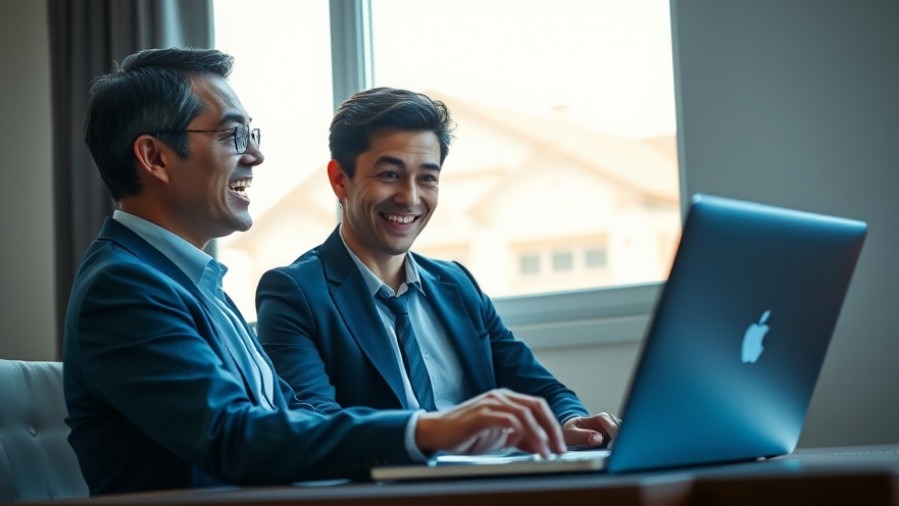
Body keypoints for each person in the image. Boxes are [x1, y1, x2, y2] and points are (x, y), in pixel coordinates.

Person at [63, 48, 568, 496]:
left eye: (251, 135)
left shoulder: (192, 284)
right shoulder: (124, 286)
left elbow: (288, 423)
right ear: (155, 156)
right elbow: (234, 438)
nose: (255, 156)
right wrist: (429, 430)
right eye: (232, 135)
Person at [254, 87, 621, 450]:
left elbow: (541, 389)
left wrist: (571, 421)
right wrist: (434, 430)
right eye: (389, 175)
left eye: (427, 177)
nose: (411, 197)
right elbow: (314, 423)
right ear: (339, 179)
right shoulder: (294, 293)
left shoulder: (457, 285)